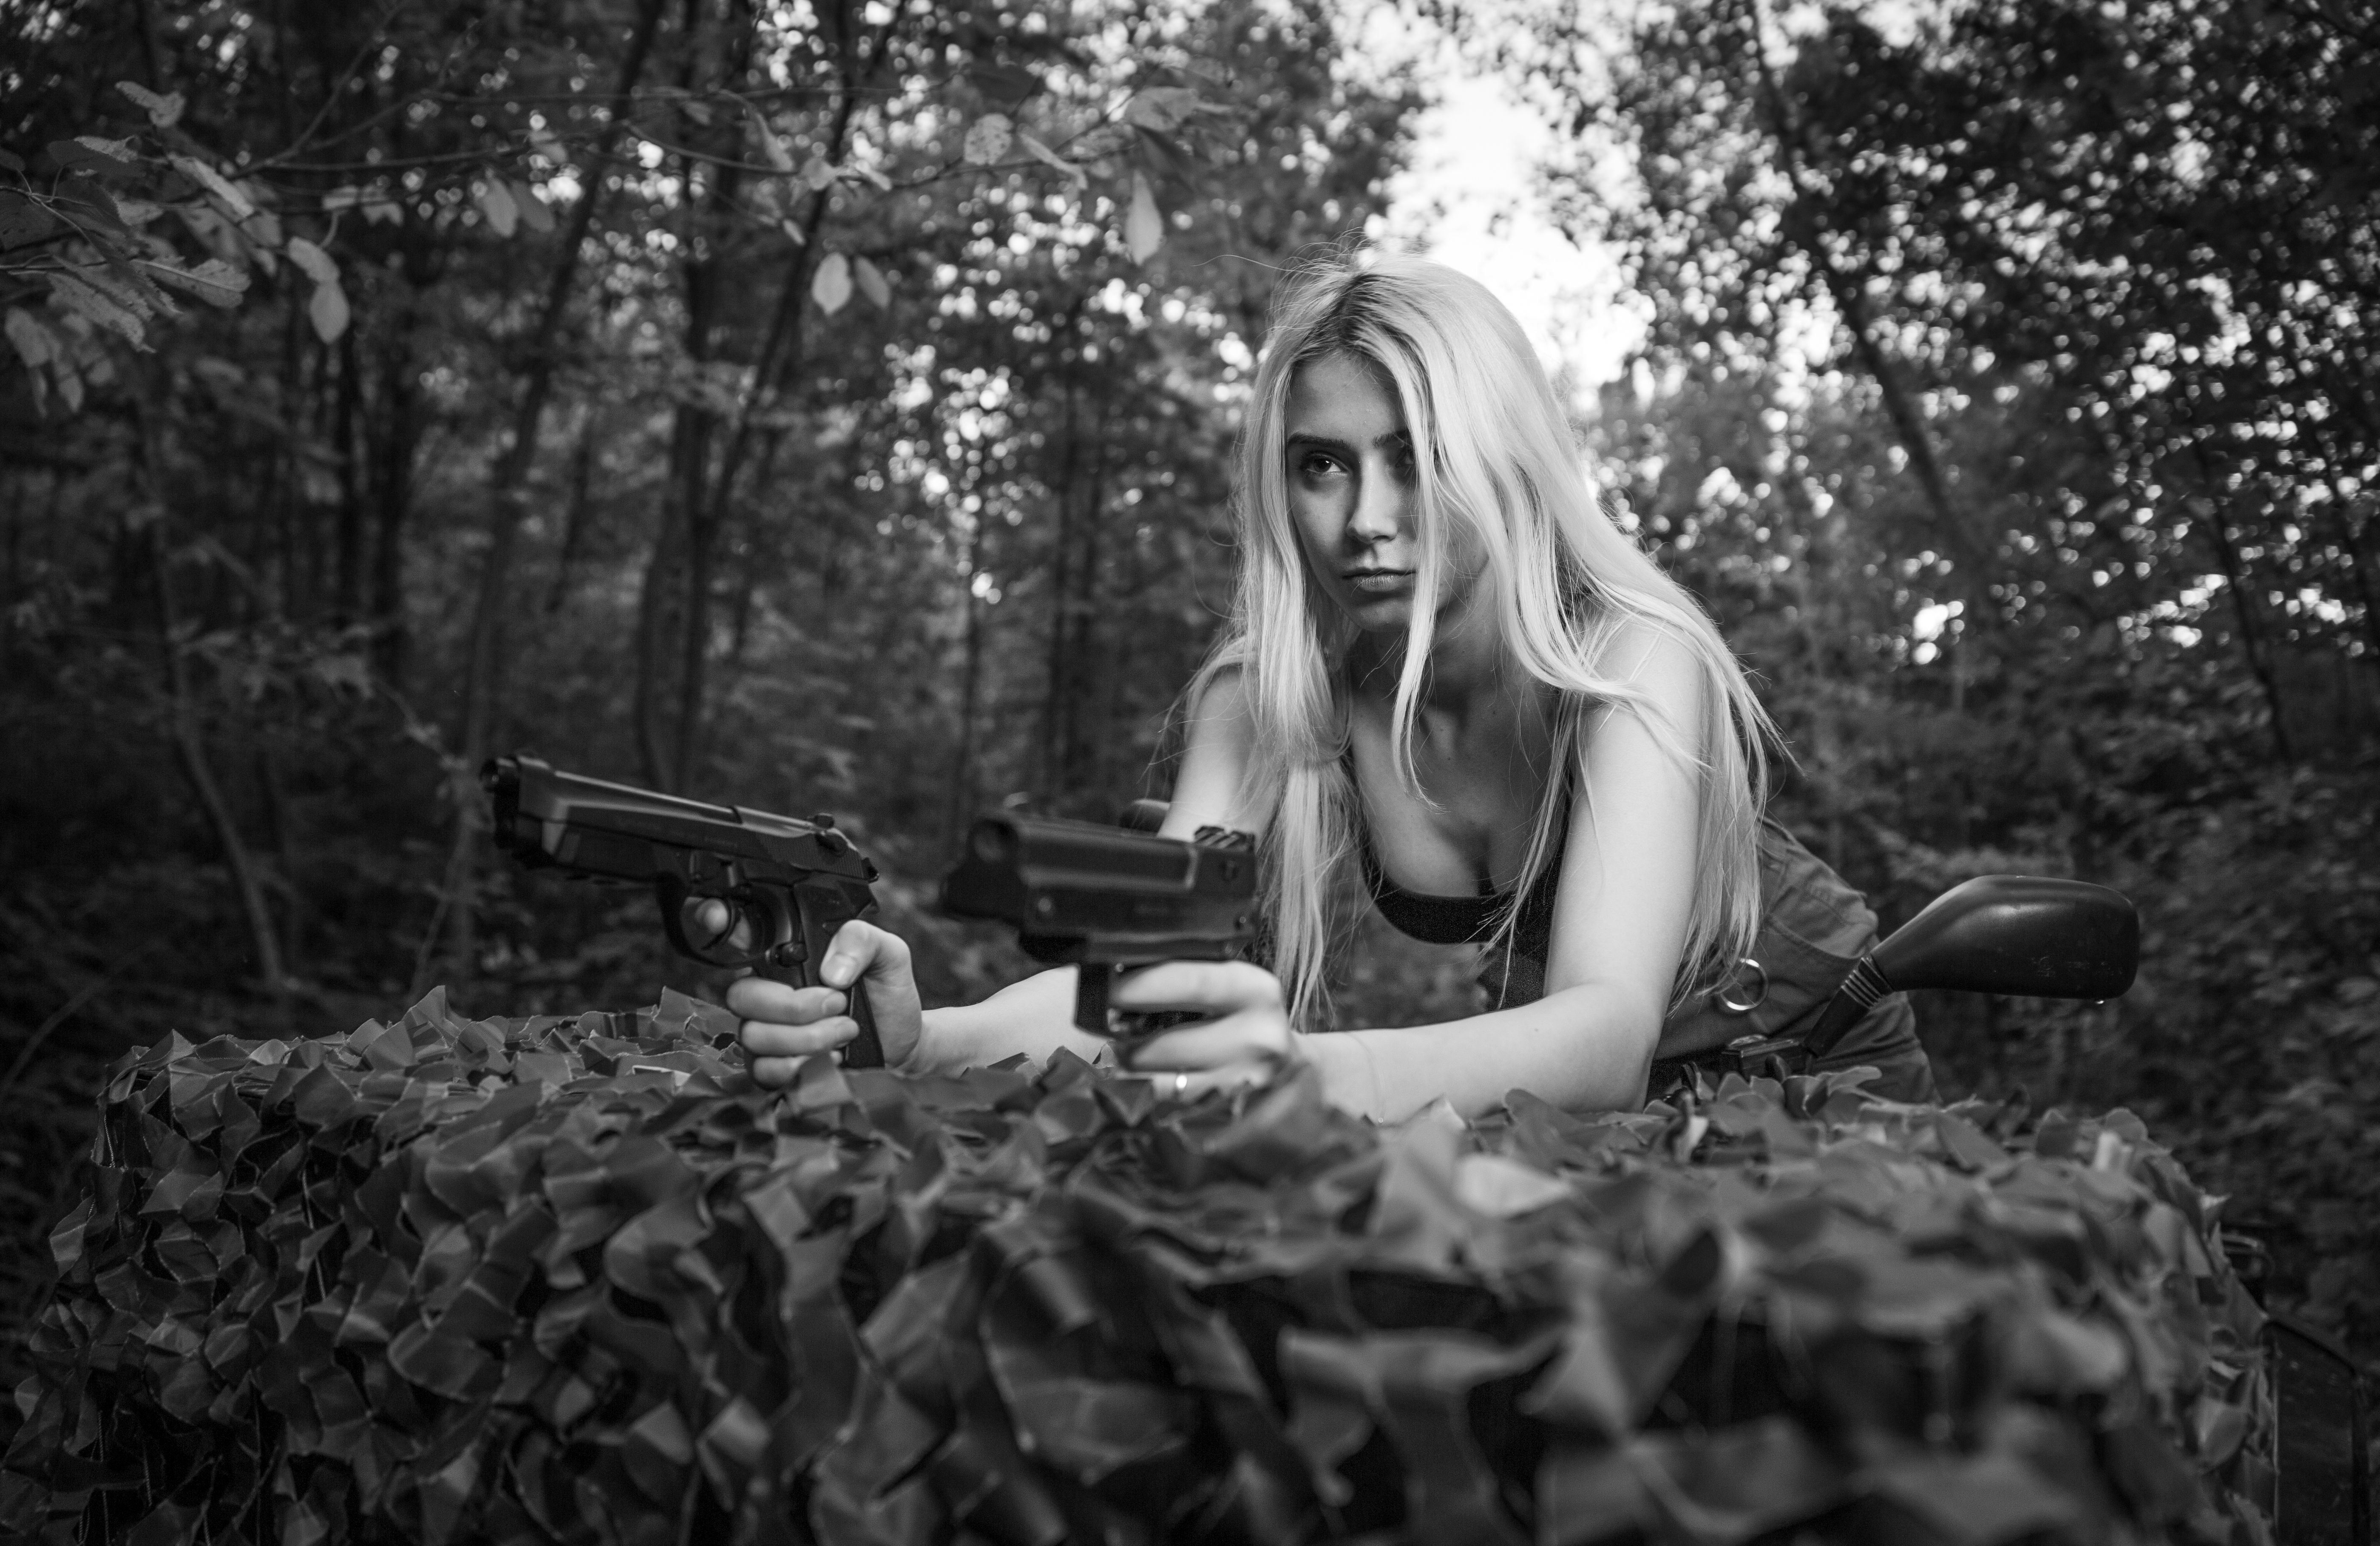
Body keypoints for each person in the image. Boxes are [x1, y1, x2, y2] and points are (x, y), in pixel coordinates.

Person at [717, 250, 1929, 1119]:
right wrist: (932, 1040)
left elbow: (1606, 1033)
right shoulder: (1263, 701)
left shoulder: (1629, 657)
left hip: (1813, 1059)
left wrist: (1299, 1071)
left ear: (1502, 463)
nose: (1369, 520)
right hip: (1589, 1103)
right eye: (1323, 467)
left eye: (1418, 460)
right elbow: (1138, 995)